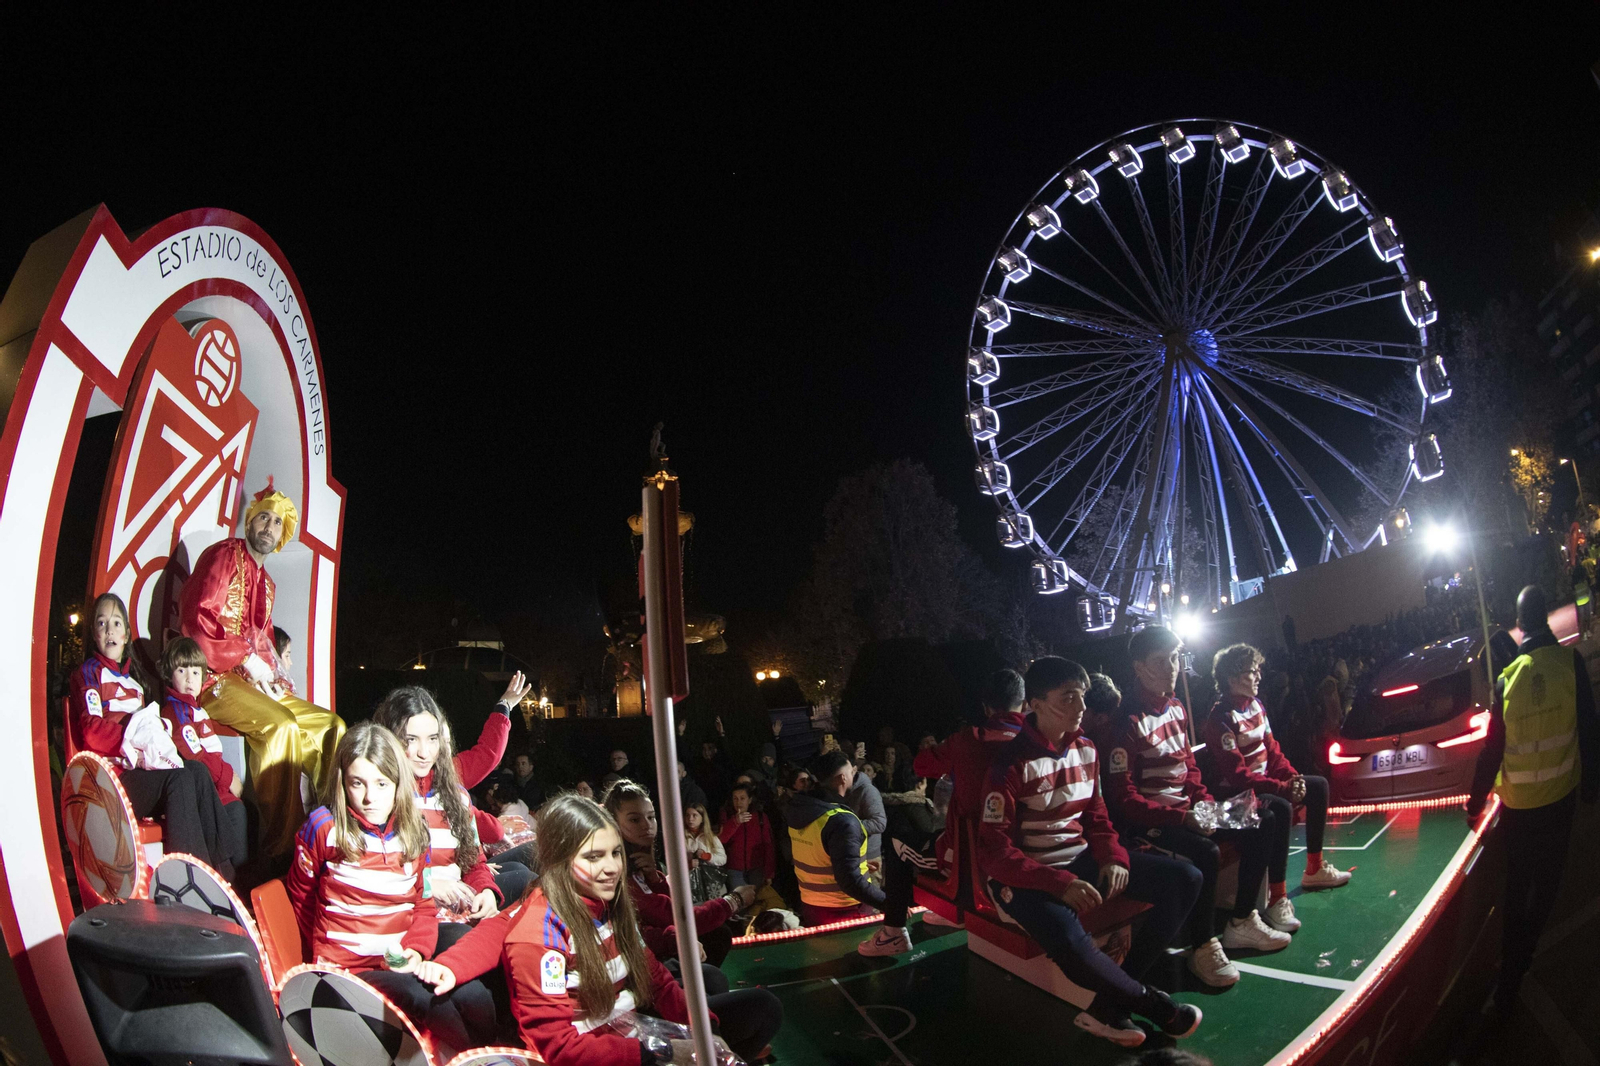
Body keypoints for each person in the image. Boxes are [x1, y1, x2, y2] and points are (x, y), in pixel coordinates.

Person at [431, 794, 783, 1064]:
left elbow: (654, 976)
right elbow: (559, 1048)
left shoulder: (609, 900)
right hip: (600, 1051)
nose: (612, 867)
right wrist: (662, 1054)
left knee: (763, 1008)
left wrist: (707, 1030)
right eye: (594, 857)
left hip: (631, 1025)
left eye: (615, 853)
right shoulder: (541, 932)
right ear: (559, 860)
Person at [974, 656, 1203, 1047]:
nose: (1081, 707)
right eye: (1068, 698)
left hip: (1078, 860)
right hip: (1024, 877)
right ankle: (1153, 1006)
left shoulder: (1087, 750)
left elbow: (1097, 818)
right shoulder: (1009, 764)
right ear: (1035, 703)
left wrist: (1113, 857)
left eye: (1082, 697)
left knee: (1185, 879)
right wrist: (1057, 883)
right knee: (1066, 935)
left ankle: (1110, 1003)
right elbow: (994, 851)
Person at [1101, 627, 1289, 991]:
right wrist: (1182, 817)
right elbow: (1125, 802)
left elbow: (1191, 769)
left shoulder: (1176, 708)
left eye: (1175, 658)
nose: (1173, 667)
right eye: (1162, 660)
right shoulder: (1126, 724)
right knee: (1205, 852)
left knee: (1262, 819)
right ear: (1139, 668)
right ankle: (1203, 946)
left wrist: (1204, 804)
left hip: (1189, 812)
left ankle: (1241, 920)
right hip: (1153, 824)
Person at [287, 722, 495, 1051]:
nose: (370, 797)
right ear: (343, 782)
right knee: (422, 996)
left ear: (398, 783)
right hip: (345, 969)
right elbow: (301, 898)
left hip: (396, 960)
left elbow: (423, 907)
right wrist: (319, 961)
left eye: (382, 783)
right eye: (358, 783)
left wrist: (415, 952)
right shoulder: (324, 828)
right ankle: (473, 1058)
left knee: (473, 993)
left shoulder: (414, 833)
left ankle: (490, 1052)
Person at [178, 480, 345, 856]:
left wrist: (273, 678)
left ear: (281, 535)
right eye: (263, 518)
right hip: (212, 679)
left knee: (333, 727)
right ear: (250, 522)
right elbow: (195, 622)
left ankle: (328, 830)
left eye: (276, 523)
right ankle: (279, 849)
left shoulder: (267, 584)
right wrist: (242, 656)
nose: (268, 527)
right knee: (282, 726)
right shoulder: (224, 555)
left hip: (251, 684)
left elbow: (266, 646)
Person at [1468, 584, 1600, 1015]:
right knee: (1546, 892)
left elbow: (1492, 750)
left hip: (1519, 809)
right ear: (1545, 618)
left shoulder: (1508, 679)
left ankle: (1509, 973)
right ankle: (1518, 964)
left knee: (1517, 888)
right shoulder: (1570, 663)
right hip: (1560, 800)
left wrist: (1474, 802)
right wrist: (1592, 785)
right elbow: (1589, 728)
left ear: (1520, 624)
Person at [68, 594, 231, 872]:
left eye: (117, 623)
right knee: (179, 780)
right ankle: (186, 879)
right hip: (112, 780)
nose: (110, 630)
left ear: (126, 634)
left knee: (197, 773)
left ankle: (222, 873)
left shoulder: (136, 683)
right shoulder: (89, 673)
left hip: (141, 774)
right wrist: (131, 738)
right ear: (94, 634)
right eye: (102, 623)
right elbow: (90, 731)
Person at [372, 687, 535, 926]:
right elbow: (367, 872)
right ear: (389, 739)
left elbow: (473, 859)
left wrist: (486, 890)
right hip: (412, 913)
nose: (424, 753)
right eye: (411, 740)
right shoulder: (377, 795)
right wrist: (428, 884)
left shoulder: (451, 789)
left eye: (434, 740)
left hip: (458, 895)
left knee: (531, 871)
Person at [1203, 644, 1350, 899]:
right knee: (1279, 808)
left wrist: (1293, 778)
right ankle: (1278, 897)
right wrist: (1282, 788)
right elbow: (1239, 776)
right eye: (1252, 671)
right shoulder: (1221, 719)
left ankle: (1314, 869)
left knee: (1318, 786)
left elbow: (1273, 752)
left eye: (1258, 670)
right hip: (1235, 800)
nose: (1259, 675)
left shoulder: (1257, 706)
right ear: (1232, 679)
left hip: (1263, 788)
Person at [602, 779, 754, 966]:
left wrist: (654, 879)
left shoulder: (639, 862)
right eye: (634, 819)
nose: (647, 826)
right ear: (612, 822)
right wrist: (734, 900)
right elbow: (671, 915)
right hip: (642, 962)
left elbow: (667, 907)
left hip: (657, 950)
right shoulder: (617, 870)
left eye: (651, 817)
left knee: (718, 935)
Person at [158, 636, 248, 871]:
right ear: (169, 673)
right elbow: (195, 757)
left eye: (196, 672)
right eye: (182, 670)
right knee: (237, 814)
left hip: (218, 791)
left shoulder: (197, 710)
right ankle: (233, 890)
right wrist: (229, 779)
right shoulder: (175, 711)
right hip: (205, 794)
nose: (190, 678)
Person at [785, 751, 885, 925]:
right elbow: (850, 881)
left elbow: (818, 853)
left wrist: (858, 863)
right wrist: (889, 903)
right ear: (842, 778)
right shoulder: (841, 820)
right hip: (846, 909)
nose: (855, 774)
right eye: (851, 772)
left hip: (812, 906)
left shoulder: (799, 809)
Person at [842, 754, 886, 881]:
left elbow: (879, 823)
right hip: (854, 852)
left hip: (869, 855)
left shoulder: (868, 791)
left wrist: (848, 826)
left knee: (871, 895)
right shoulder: (847, 790)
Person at [684, 803, 727, 904]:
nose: (690, 819)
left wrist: (707, 856)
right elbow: (673, 863)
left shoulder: (711, 837)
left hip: (710, 884)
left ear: (702, 818)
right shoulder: (680, 837)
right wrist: (688, 864)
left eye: (695, 815)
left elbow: (722, 859)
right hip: (690, 887)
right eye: (687, 815)